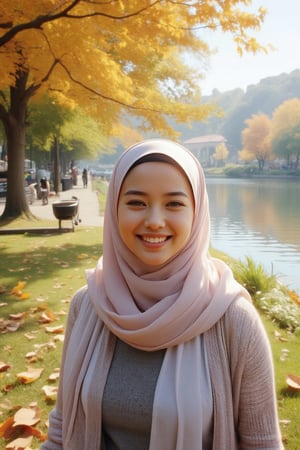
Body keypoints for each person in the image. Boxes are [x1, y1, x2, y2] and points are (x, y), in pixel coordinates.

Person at [41, 139, 283, 450]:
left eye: (174, 204)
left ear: (197, 214)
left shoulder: (233, 321)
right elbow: (61, 433)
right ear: (114, 209)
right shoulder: (88, 306)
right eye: (137, 203)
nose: (154, 220)